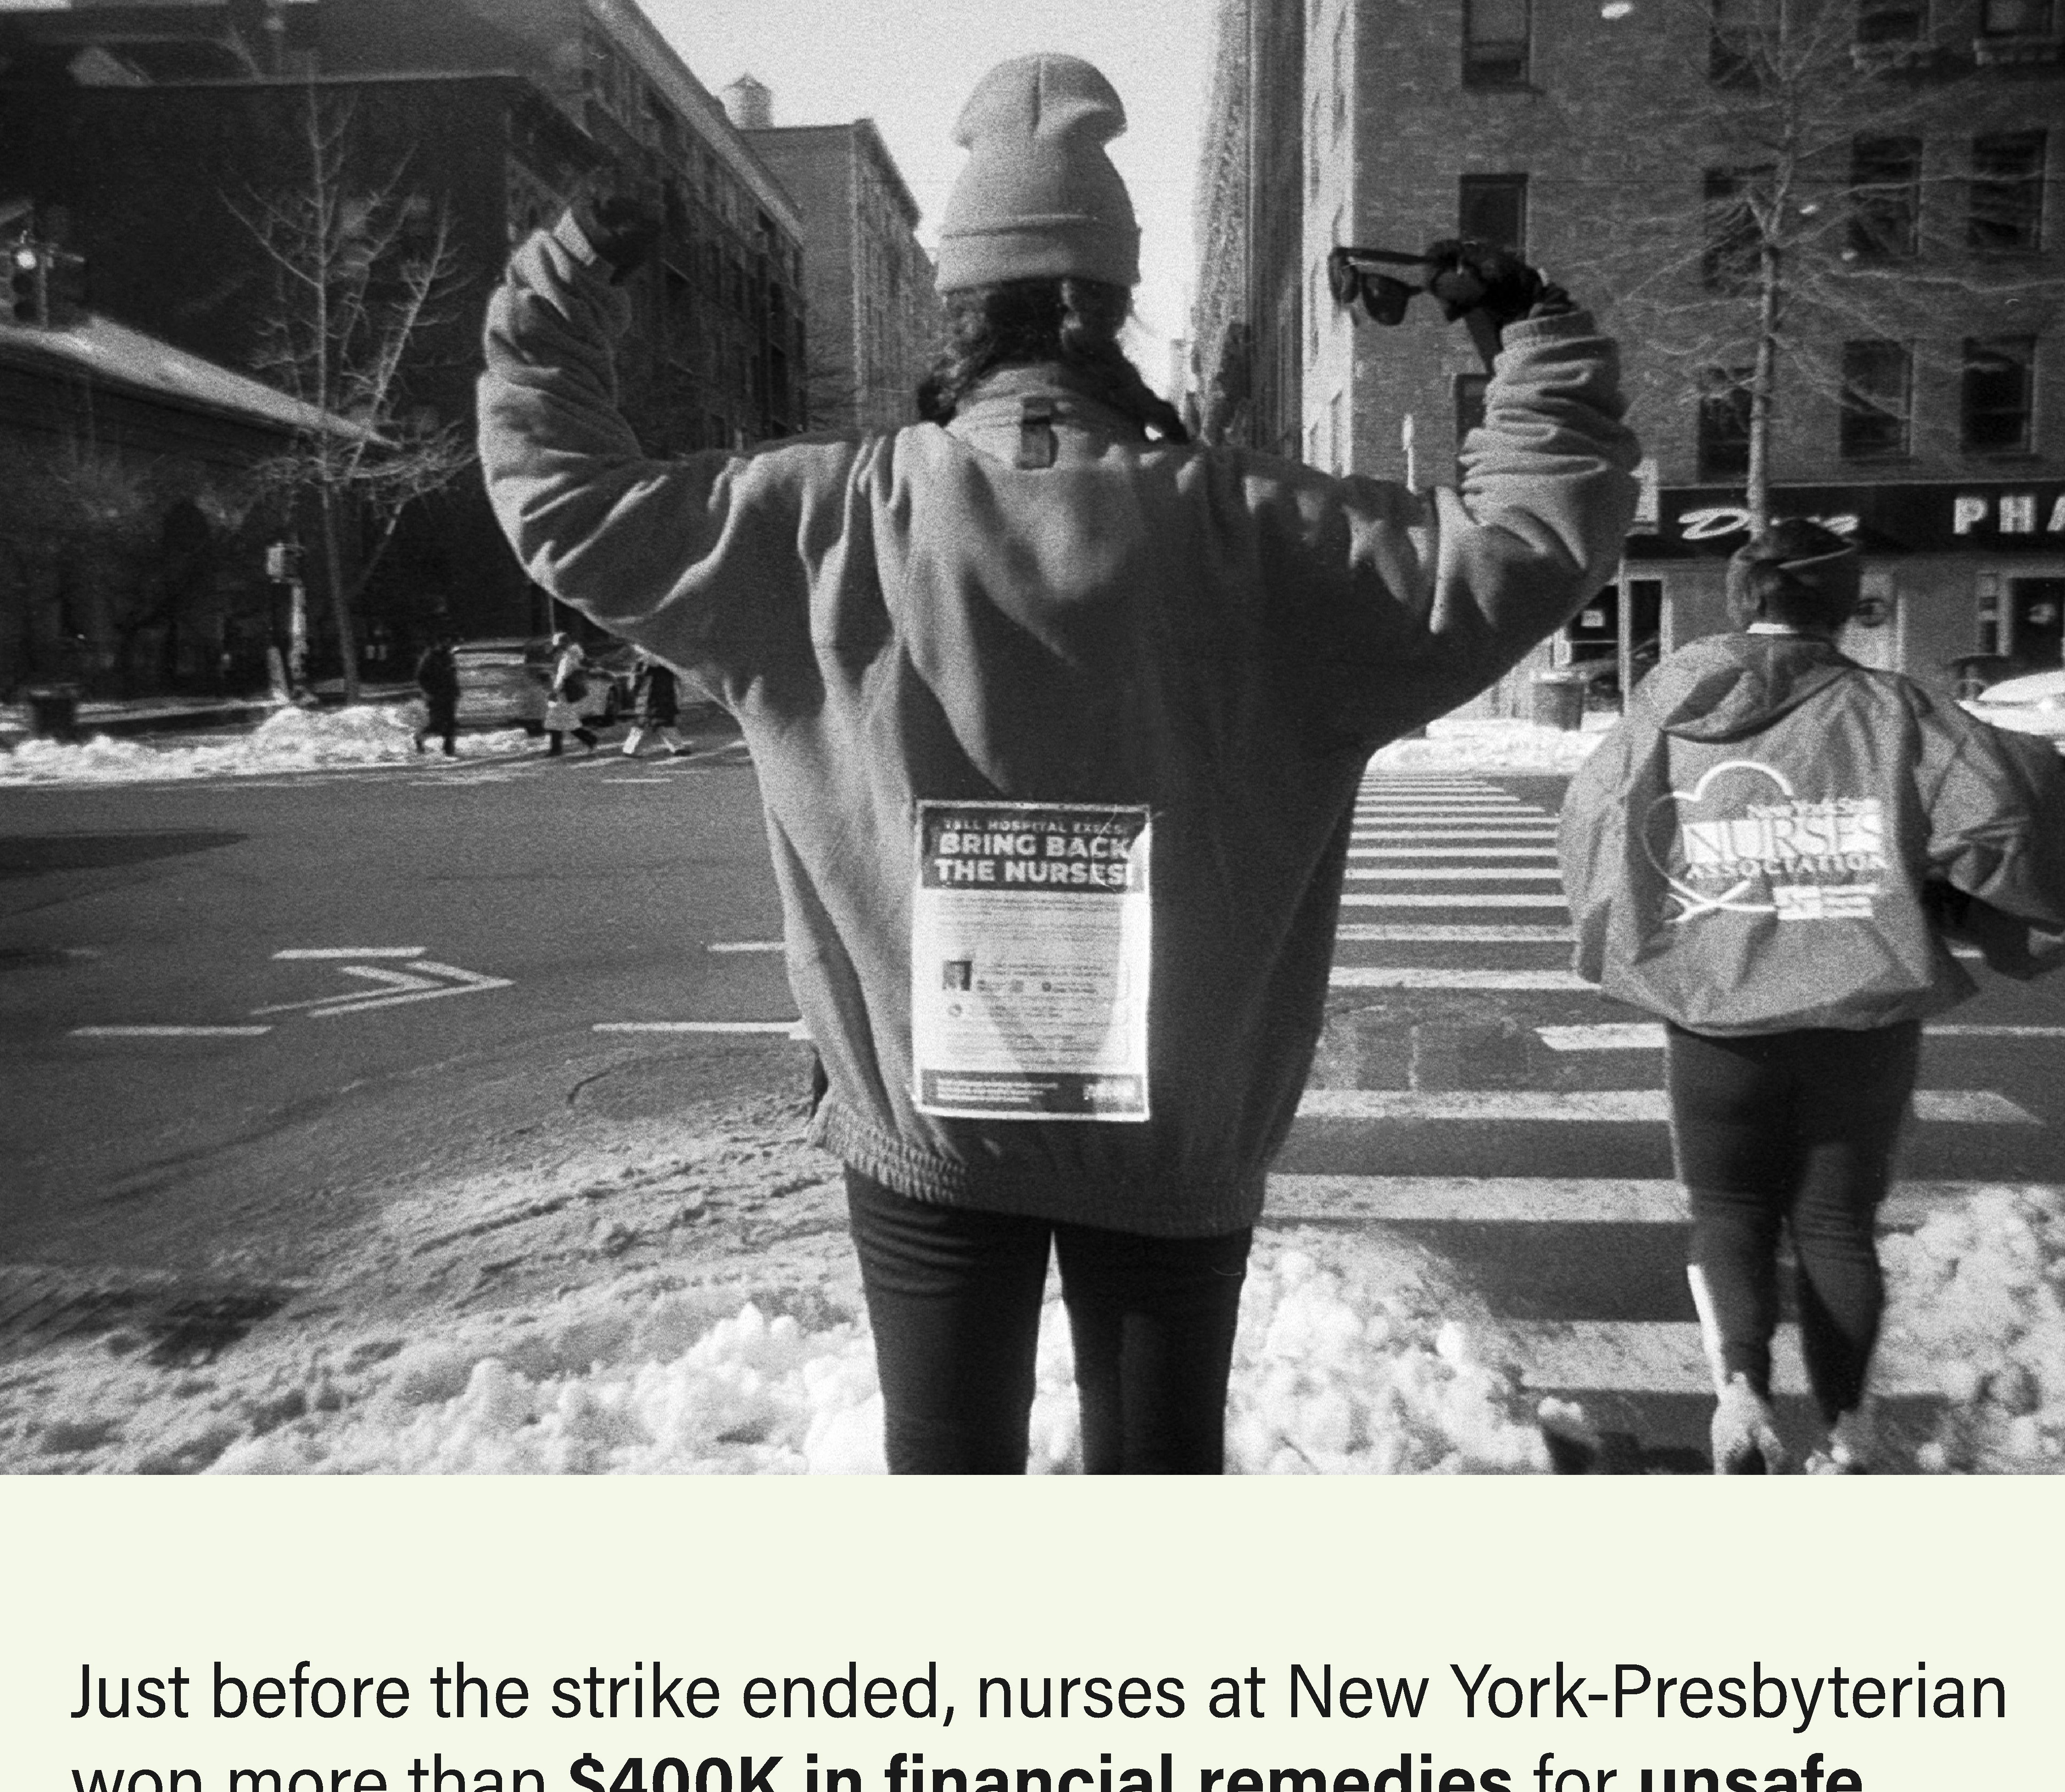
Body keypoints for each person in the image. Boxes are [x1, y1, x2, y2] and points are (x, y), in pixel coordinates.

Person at [479, 54, 1639, 1472]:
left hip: (928, 1127)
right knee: (1158, 1474)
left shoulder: (820, 524)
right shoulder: (1265, 536)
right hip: (1174, 1137)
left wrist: (569, 276)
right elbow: (1526, 550)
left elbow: (563, 498)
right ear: (1109, 304)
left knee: (947, 1463)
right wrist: (1541, 344)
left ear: (964, 307)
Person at [1558, 520, 2065, 1474]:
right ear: (1844, 608)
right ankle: (1844, 1430)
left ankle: (1741, 1394)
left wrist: (1637, 926)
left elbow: (1591, 823)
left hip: (1717, 1010)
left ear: (1743, 599)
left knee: (1727, 1208)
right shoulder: (1894, 710)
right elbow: (2005, 804)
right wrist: (1971, 898)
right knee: (1837, 1225)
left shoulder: (1667, 704)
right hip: (1860, 1008)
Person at [624, 651, 694, 757]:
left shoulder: (649, 661)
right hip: (652, 698)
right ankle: (629, 749)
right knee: (647, 723)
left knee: (661, 723)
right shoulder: (654, 661)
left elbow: (634, 682)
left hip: (658, 697)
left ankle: (678, 748)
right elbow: (636, 682)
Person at [542, 629, 600, 756]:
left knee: (566, 722)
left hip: (563, 693)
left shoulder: (567, 657)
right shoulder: (573, 655)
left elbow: (562, 677)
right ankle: (557, 749)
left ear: (562, 644)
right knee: (557, 721)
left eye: (557, 645)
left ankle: (590, 740)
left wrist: (554, 692)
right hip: (565, 693)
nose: (555, 648)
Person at [413, 634, 461, 756]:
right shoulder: (429, 658)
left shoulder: (448, 656)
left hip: (449, 694)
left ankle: (449, 751)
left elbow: (452, 675)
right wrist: (427, 692)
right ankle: (419, 738)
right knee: (437, 725)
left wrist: (456, 691)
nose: (447, 644)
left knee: (450, 725)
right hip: (435, 695)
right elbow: (421, 677)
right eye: (444, 642)